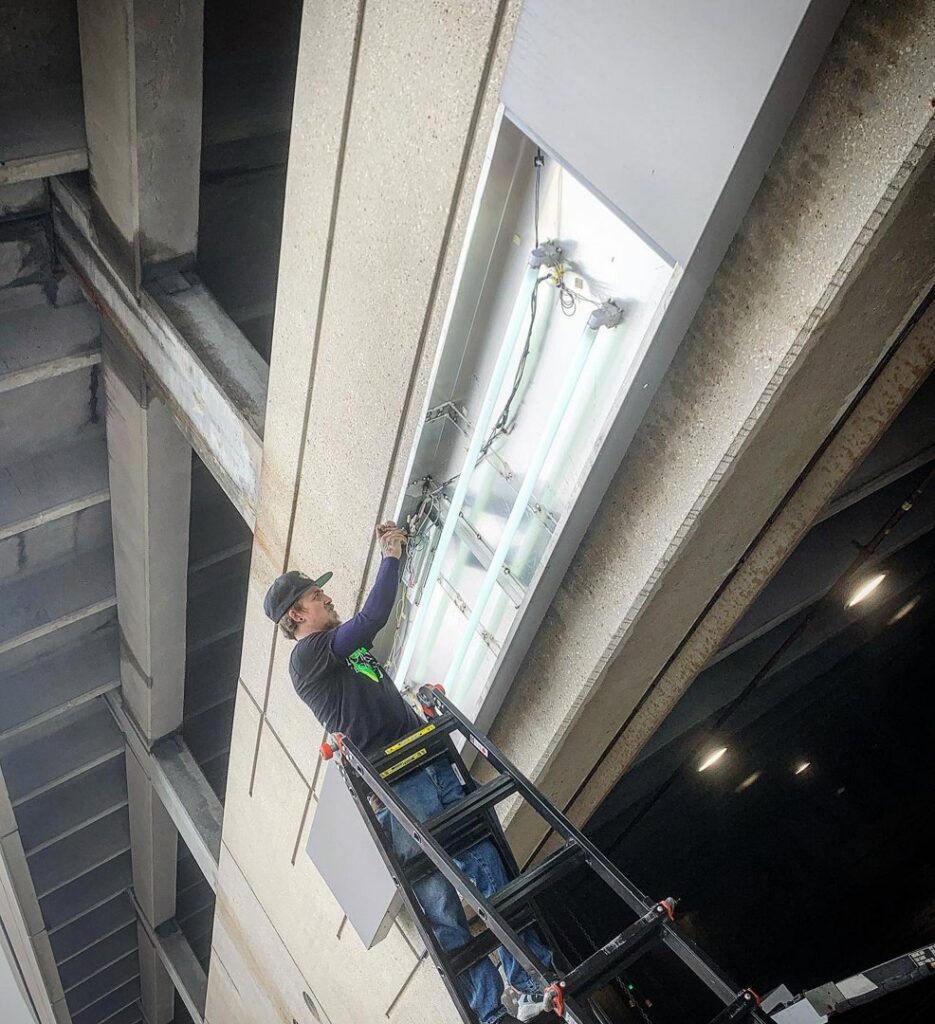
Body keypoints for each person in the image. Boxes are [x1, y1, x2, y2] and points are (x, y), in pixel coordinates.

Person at [263, 522, 555, 1024]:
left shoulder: (343, 651)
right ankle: (490, 1012)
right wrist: (391, 554)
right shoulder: (306, 658)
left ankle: (531, 984)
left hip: (425, 760)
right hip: (395, 784)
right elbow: (374, 614)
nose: (327, 598)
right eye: (316, 596)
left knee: (486, 865)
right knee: (439, 899)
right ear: (296, 614)